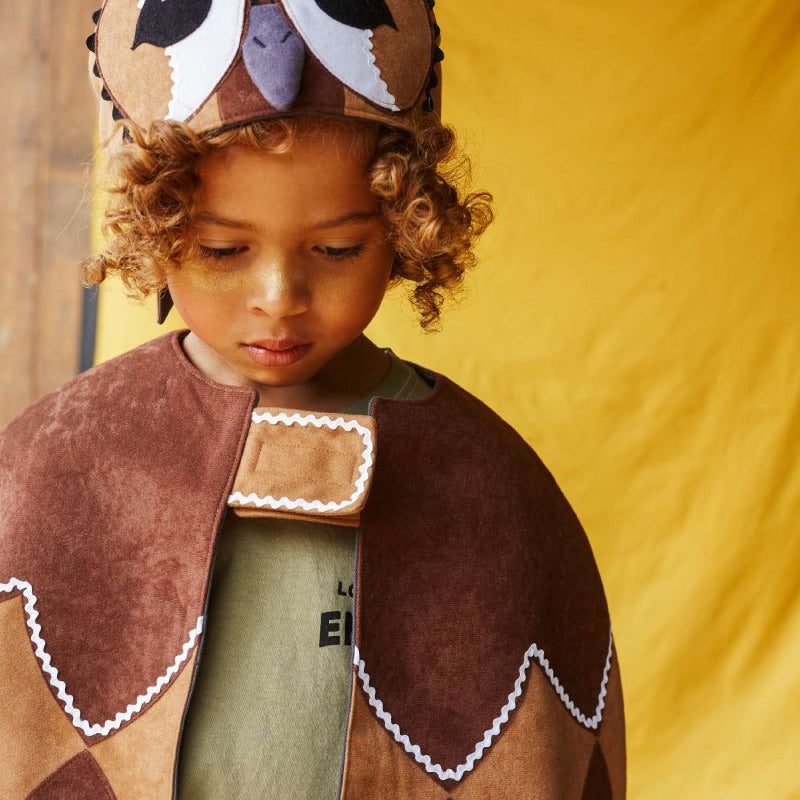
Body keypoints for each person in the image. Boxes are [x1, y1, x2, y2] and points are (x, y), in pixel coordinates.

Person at [0, 1, 626, 798]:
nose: (278, 296)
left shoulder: (488, 483)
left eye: (336, 248)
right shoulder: (59, 458)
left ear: (403, 224)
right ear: (154, 227)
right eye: (222, 249)